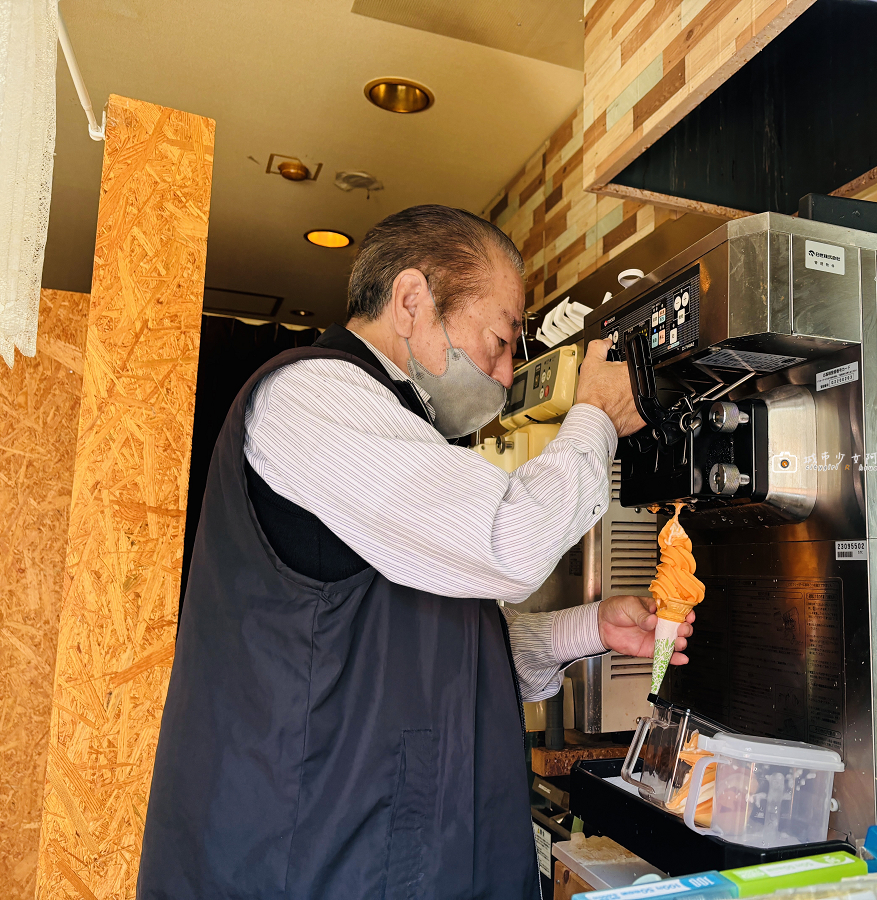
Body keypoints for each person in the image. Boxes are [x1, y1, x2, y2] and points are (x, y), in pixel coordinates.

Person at [137, 205, 694, 900]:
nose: (505, 371)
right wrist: (595, 417)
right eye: (499, 340)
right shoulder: (309, 395)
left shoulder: (402, 433)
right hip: (310, 859)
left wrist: (588, 629)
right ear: (410, 302)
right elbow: (511, 541)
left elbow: (441, 657)